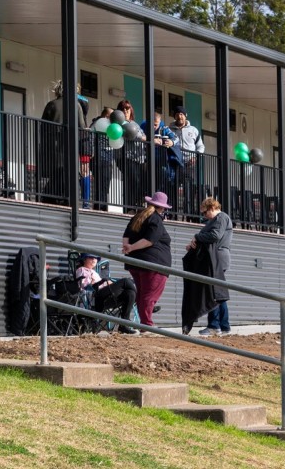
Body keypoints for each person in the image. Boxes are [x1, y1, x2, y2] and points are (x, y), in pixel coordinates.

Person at [121, 191, 172, 326]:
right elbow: (150, 240)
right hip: (154, 264)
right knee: (150, 295)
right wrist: (131, 248)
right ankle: (147, 324)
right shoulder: (156, 219)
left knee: (143, 294)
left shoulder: (137, 217)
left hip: (136, 263)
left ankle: (145, 323)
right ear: (162, 208)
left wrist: (128, 247)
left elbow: (126, 235)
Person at [185, 197, 232, 336]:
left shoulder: (221, 217)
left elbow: (215, 235)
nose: (204, 216)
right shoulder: (216, 220)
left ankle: (214, 326)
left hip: (216, 259)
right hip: (216, 258)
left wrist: (197, 237)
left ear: (212, 208)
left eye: (205, 212)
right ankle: (223, 326)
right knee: (218, 293)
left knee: (212, 293)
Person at [40, 80, 87, 205]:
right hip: (69, 147)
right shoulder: (76, 105)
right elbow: (82, 127)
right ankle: (66, 200)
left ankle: (50, 197)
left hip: (52, 146)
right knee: (68, 175)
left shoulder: (51, 104)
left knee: (55, 175)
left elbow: (43, 126)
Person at [74, 253, 137, 334]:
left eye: (95, 258)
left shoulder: (94, 272)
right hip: (96, 298)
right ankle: (142, 303)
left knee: (130, 293)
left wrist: (109, 283)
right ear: (84, 259)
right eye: (90, 258)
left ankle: (124, 325)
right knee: (126, 281)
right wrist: (98, 282)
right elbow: (85, 286)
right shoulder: (82, 269)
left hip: (106, 297)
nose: (94, 260)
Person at [167, 106, 204, 217]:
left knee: (190, 190)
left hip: (190, 164)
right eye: (177, 114)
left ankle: (189, 214)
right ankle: (173, 213)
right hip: (175, 163)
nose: (180, 116)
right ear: (174, 116)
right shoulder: (169, 129)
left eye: (182, 114)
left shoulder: (193, 130)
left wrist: (196, 157)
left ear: (185, 115)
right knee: (172, 188)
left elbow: (200, 146)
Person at [113, 100, 147, 210]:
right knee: (133, 180)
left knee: (139, 181)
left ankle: (136, 204)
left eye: (127, 109)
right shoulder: (121, 123)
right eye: (123, 109)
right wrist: (146, 138)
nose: (125, 111)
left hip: (139, 158)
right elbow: (135, 135)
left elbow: (142, 134)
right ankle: (129, 206)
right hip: (126, 157)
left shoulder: (135, 123)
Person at [91, 107, 115, 210]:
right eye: (111, 117)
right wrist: (91, 153)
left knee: (105, 185)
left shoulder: (112, 127)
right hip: (98, 158)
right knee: (100, 184)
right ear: (106, 116)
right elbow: (90, 137)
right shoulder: (97, 124)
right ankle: (99, 206)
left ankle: (103, 206)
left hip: (108, 159)